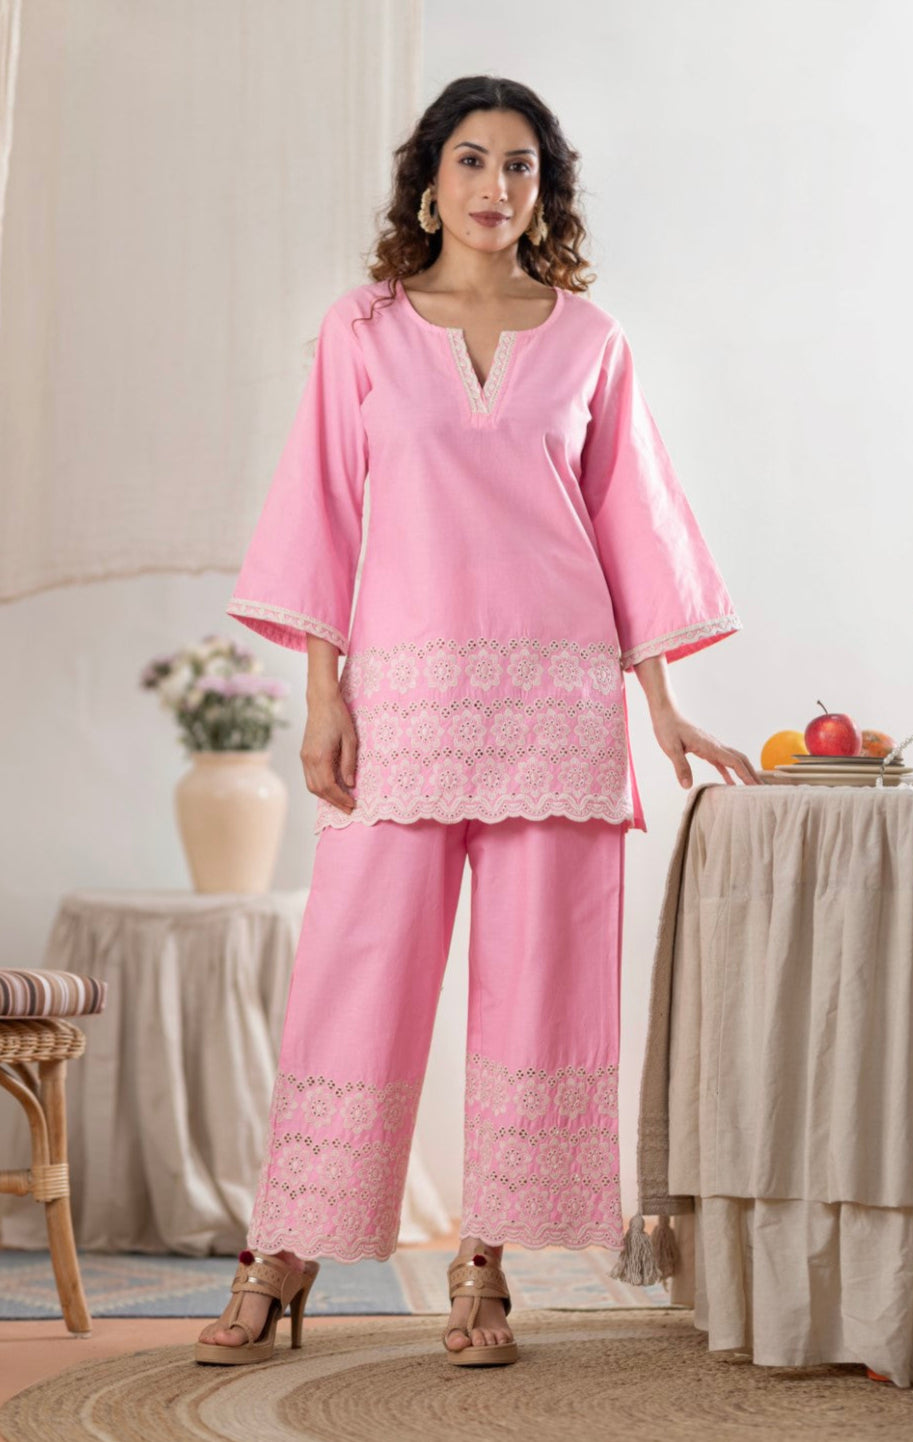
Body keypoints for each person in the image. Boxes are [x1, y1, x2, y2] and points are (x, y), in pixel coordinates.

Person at [194, 73, 760, 1370]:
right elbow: (323, 511)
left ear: (543, 189)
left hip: (559, 704)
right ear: (429, 181)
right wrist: (323, 696)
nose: (495, 186)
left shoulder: (589, 338)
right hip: (402, 705)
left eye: (518, 165)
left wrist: (662, 706)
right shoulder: (365, 329)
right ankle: (282, 1251)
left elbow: (630, 526)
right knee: (357, 971)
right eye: (470, 160)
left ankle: (483, 1263)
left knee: (542, 985)